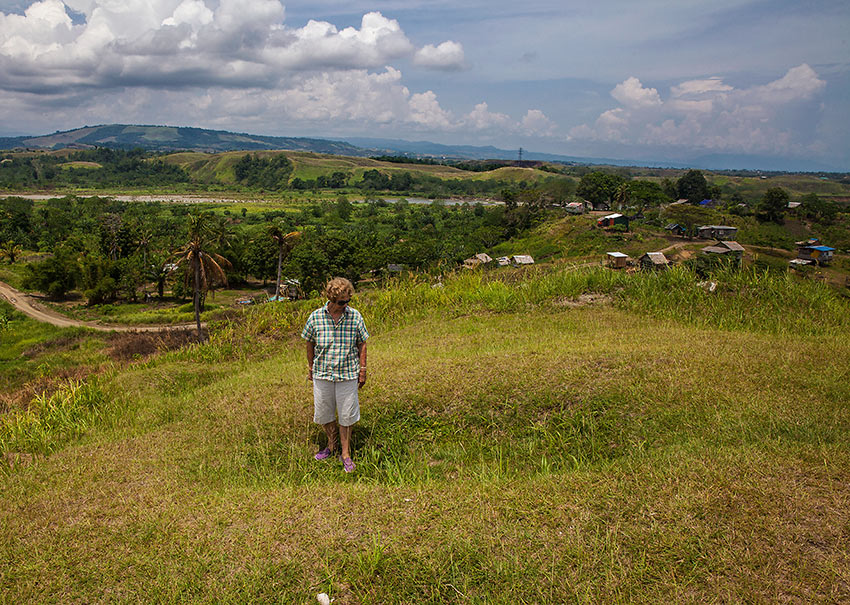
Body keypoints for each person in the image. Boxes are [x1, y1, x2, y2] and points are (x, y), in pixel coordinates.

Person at [301, 277, 369, 473]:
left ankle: (345, 454)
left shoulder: (355, 316)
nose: (345, 305)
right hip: (323, 373)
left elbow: (362, 342)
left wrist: (363, 370)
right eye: (341, 302)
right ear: (331, 298)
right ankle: (331, 446)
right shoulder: (315, 317)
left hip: (348, 373)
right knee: (324, 412)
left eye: (347, 301)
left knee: (347, 415)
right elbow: (309, 342)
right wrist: (311, 367)